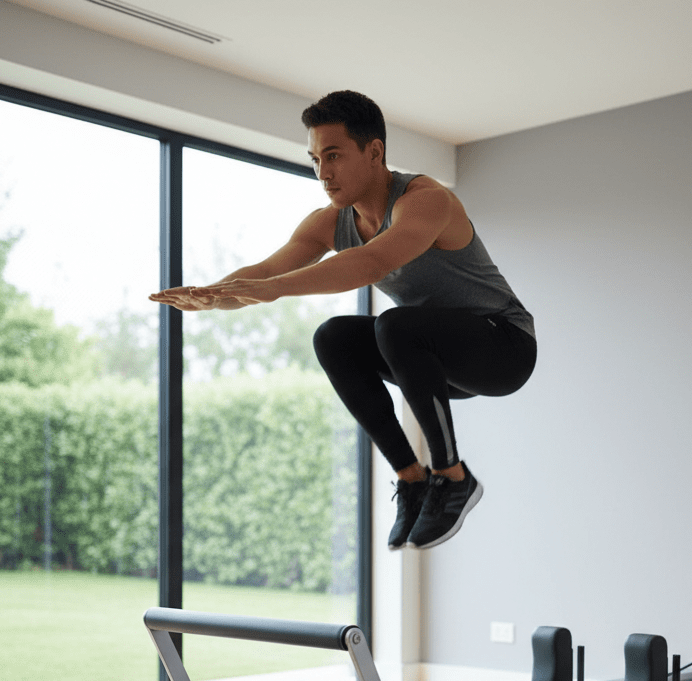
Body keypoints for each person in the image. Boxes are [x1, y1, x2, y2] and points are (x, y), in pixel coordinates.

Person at [150, 90, 536, 550]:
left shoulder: (426, 200)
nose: (323, 173)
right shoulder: (329, 222)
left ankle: (452, 478)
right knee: (333, 337)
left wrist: (274, 290)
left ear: (374, 152)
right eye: (315, 160)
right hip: (434, 361)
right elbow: (269, 271)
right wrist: (213, 295)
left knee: (395, 324)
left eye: (333, 156)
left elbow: (371, 263)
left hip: (504, 348)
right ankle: (412, 480)